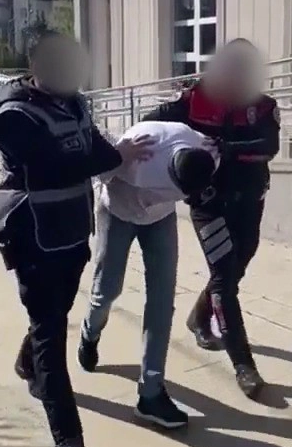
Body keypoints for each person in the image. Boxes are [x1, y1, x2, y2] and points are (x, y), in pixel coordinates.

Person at [0, 31, 153, 447]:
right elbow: (51, 168)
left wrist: (125, 153)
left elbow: (97, 149)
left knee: (53, 316)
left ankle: (28, 363)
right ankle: (69, 442)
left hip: (72, 233)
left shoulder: (75, 104)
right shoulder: (12, 114)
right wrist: (112, 157)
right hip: (32, 236)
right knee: (51, 332)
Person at [143, 39, 280, 400]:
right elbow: (150, 125)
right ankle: (244, 365)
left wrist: (226, 149)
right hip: (208, 204)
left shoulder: (264, 107)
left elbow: (269, 146)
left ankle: (199, 318)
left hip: (249, 200)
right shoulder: (194, 99)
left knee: (235, 269)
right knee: (224, 279)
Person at [77, 119, 217, 429]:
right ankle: (90, 332)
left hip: (160, 219)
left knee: (162, 302)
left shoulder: (204, 152)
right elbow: (100, 172)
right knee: (107, 289)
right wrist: (119, 156)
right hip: (118, 210)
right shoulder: (142, 154)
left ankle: (151, 393)